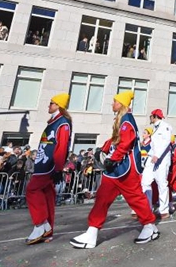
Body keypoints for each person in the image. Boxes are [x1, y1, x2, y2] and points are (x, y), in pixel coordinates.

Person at [70, 91, 159, 249]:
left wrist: (113, 159)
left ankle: (149, 226)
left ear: (122, 104)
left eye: (115, 101)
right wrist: (103, 150)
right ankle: (92, 232)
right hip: (115, 169)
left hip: (125, 168)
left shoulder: (127, 120)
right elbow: (115, 140)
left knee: (135, 198)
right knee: (102, 199)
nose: (112, 104)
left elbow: (126, 142)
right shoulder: (121, 120)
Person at [25, 93, 72, 244]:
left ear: (58, 105)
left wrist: (58, 168)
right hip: (44, 163)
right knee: (47, 195)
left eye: (51, 103)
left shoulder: (62, 123)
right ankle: (48, 230)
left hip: (48, 165)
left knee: (32, 190)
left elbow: (62, 146)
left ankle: (41, 224)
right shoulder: (54, 122)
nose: (49, 105)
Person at [140, 109, 172, 217]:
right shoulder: (154, 128)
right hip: (152, 158)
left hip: (162, 159)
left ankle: (164, 210)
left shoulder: (165, 126)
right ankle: (147, 207)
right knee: (145, 181)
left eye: (151, 116)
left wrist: (157, 155)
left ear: (155, 116)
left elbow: (166, 142)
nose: (150, 118)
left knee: (162, 184)